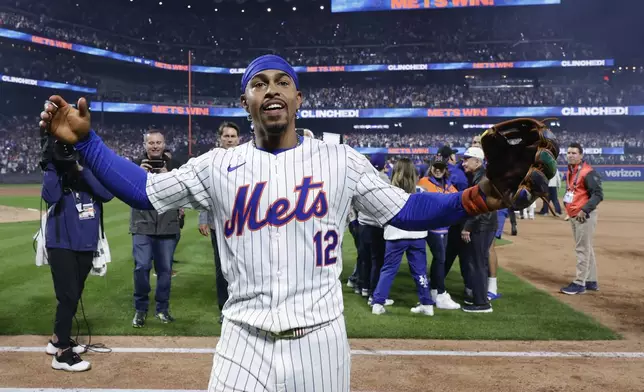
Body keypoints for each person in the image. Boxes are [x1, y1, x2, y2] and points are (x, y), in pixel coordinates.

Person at [39, 54, 512, 391]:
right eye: (258, 83)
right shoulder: (216, 165)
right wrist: (88, 144)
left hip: (321, 341)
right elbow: (145, 191)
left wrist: (476, 198)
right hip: (242, 339)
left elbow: (406, 211)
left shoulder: (340, 160)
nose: (271, 89)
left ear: (297, 98)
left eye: (281, 81)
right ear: (245, 101)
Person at [40, 140, 113, 372]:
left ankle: (56, 339)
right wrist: (53, 165)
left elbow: (106, 194)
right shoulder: (56, 174)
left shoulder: (88, 172)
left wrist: (82, 169)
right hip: (61, 243)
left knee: (74, 293)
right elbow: (50, 196)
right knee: (68, 295)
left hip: (86, 243)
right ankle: (62, 353)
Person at [130, 129, 182, 327]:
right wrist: (139, 176)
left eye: (158, 142)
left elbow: (182, 191)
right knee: (141, 266)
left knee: (165, 270)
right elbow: (127, 191)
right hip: (142, 223)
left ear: (164, 143)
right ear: (145, 145)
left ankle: (162, 309)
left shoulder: (175, 165)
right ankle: (140, 310)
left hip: (167, 224)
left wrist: (168, 176)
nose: (155, 146)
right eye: (151, 143)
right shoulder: (135, 165)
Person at [372, 158, 433, 316]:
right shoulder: (422, 191)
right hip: (418, 235)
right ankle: (427, 304)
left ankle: (378, 304)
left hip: (395, 235)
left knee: (388, 270)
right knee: (420, 272)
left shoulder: (388, 191)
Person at [198, 121, 240, 323]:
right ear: (220, 138)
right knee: (221, 268)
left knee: (243, 267)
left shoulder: (248, 159)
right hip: (219, 225)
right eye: (226, 136)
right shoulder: (211, 161)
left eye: (233, 136)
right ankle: (224, 310)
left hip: (243, 224)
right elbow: (204, 192)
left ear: (238, 139)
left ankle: (241, 307)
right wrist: (203, 219)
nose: (230, 139)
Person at [417, 157, 461, 310]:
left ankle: (435, 290)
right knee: (441, 258)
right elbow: (419, 204)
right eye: (435, 166)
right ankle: (440, 293)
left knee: (439, 259)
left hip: (445, 228)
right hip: (432, 227)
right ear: (431, 167)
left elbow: (457, 201)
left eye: (441, 167)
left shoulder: (449, 185)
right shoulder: (424, 182)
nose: (438, 170)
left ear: (446, 169)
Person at [560, 142, 603, 295]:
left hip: (584, 216)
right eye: (569, 153)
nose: (571, 155)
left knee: (582, 249)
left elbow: (598, 195)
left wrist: (584, 210)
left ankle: (579, 283)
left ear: (581, 155)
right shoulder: (571, 171)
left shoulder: (587, 172)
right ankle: (591, 280)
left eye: (574, 153)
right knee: (587, 248)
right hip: (574, 214)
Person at [460, 147, 497, 313]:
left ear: (478, 161)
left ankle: (482, 303)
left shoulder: (481, 178)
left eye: (467, 159)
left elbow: (479, 207)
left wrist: (468, 226)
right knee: (478, 262)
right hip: (485, 224)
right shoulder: (479, 176)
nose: (464, 162)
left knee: (477, 263)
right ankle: (479, 298)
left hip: (481, 225)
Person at [357, 153, 389, 301]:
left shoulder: (361, 178)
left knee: (365, 258)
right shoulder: (385, 179)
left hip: (362, 223)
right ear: (383, 165)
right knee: (377, 260)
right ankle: (373, 291)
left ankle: (363, 287)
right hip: (376, 225)